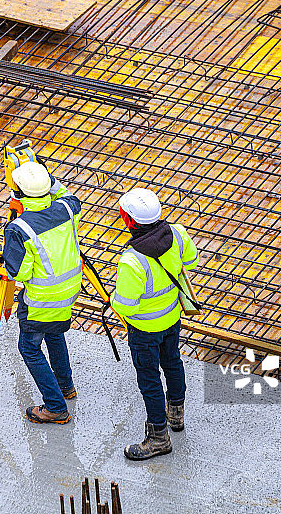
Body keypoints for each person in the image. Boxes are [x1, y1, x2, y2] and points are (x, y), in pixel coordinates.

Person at [111, 188, 198, 459]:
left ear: (129, 221)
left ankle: (159, 437)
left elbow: (125, 305)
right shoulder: (179, 233)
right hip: (172, 319)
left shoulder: (132, 261)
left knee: (149, 379)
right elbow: (191, 261)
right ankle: (176, 415)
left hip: (144, 330)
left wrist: (114, 297)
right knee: (172, 363)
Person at [2, 161, 82, 424]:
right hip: (68, 293)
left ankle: (56, 407)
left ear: (19, 194)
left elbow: (19, 273)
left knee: (29, 347)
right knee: (55, 332)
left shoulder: (20, 228)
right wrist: (42, 173)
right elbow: (68, 195)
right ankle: (65, 385)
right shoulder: (67, 210)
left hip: (41, 300)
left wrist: (4, 252)